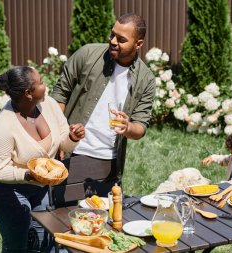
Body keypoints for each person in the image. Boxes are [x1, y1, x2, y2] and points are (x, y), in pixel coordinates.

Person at [0, 66, 84, 253]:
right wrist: (29, 175)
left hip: (39, 187)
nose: (45, 86)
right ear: (28, 93)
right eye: (41, 83)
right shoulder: (2, 126)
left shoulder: (50, 105)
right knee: (17, 244)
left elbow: (63, 142)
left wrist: (72, 137)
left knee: (42, 241)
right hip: (6, 189)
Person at [51, 13, 156, 196]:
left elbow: (140, 127)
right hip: (72, 150)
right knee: (62, 217)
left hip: (108, 161)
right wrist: (59, 137)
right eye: (112, 34)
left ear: (138, 44)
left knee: (102, 219)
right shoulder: (88, 54)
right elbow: (60, 94)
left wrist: (128, 126)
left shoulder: (146, 79)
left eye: (121, 39)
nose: (113, 41)